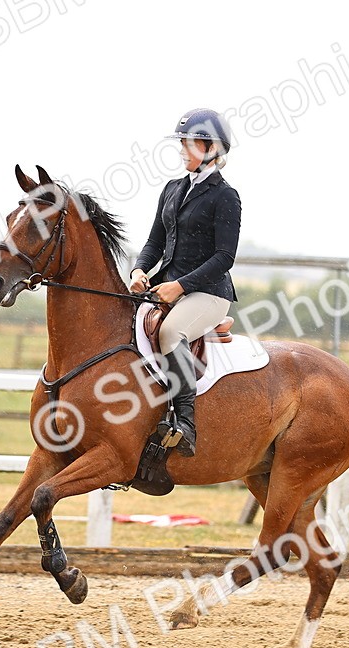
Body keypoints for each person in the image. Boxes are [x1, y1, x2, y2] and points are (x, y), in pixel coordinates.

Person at [129, 108, 241, 457]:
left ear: (211, 148)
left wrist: (180, 286)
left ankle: (186, 424)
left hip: (209, 293)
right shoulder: (172, 189)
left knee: (170, 333)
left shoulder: (225, 196)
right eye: (181, 143)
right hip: (166, 288)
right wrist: (139, 271)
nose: (181, 151)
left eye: (188, 144)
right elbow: (154, 242)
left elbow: (224, 257)